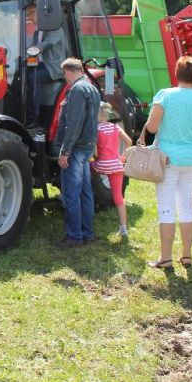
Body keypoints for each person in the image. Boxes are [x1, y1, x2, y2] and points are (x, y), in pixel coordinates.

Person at [144, 56, 192, 269]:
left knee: (166, 208)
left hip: (167, 158)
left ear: (176, 74)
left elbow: (152, 127)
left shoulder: (165, 95)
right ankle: (187, 255)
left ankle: (165, 258)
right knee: (186, 207)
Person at [54, 58, 100, 247]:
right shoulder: (92, 88)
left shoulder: (77, 90)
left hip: (75, 148)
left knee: (71, 193)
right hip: (87, 145)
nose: (65, 78)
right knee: (85, 192)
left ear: (68, 72)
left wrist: (64, 151)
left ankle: (74, 236)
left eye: (64, 74)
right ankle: (87, 233)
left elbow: (73, 123)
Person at [93, 102, 133, 237]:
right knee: (118, 197)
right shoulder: (116, 127)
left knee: (86, 168)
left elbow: (96, 154)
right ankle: (124, 229)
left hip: (102, 166)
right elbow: (128, 142)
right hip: (116, 165)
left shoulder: (97, 130)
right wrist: (122, 158)